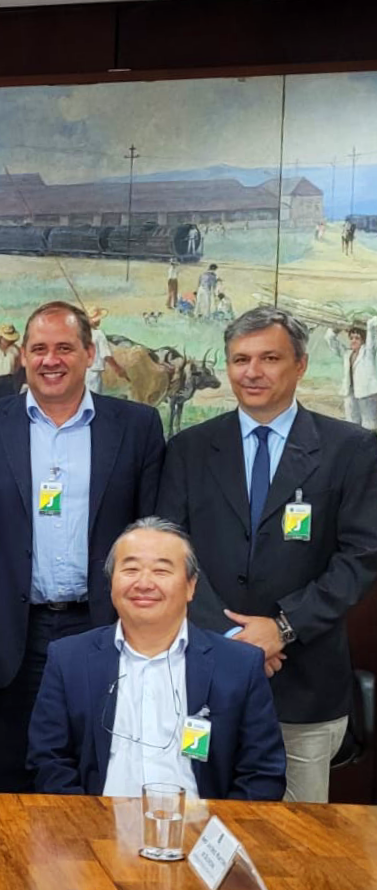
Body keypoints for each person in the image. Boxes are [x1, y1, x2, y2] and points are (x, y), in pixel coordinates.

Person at [156, 306, 377, 803]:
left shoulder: (351, 449)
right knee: (194, 826)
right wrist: (232, 636)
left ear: (299, 365)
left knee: (298, 845)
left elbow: (361, 557)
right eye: (240, 359)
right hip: (202, 678)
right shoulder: (189, 449)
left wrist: (280, 628)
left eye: (269, 358)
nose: (252, 372)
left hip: (304, 684)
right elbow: (169, 551)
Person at [0, 300, 165, 792]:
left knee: (96, 764)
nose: (52, 360)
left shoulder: (136, 427)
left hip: (104, 624)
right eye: (40, 348)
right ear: (23, 355)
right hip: (10, 631)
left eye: (65, 348)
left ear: (89, 354)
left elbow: (154, 539)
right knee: (6, 768)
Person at [28, 518, 286, 800]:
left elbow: (262, 775)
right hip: (97, 829)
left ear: (190, 586)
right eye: (130, 569)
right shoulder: (69, 659)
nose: (144, 583)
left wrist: (212, 840)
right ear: (111, 583)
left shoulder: (238, 665)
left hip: (202, 833)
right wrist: (89, 831)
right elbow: (49, 762)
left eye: (161, 571)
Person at [340, 323, 377, 431]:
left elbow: (372, 333)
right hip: (350, 392)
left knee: (368, 424)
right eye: (351, 338)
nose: (353, 341)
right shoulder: (347, 354)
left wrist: (369, 325)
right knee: (351, 423)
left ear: (363, 340)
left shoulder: (368, 352)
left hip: (366, 393)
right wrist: (336, 329)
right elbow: (330, 340)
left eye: (357, 338)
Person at [86, 307, 111, 394]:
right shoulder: (99, 334)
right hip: (94, 371)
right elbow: (106, 355)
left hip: (83, 371)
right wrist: (118, 368)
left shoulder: (82, 333)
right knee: (94, 397)